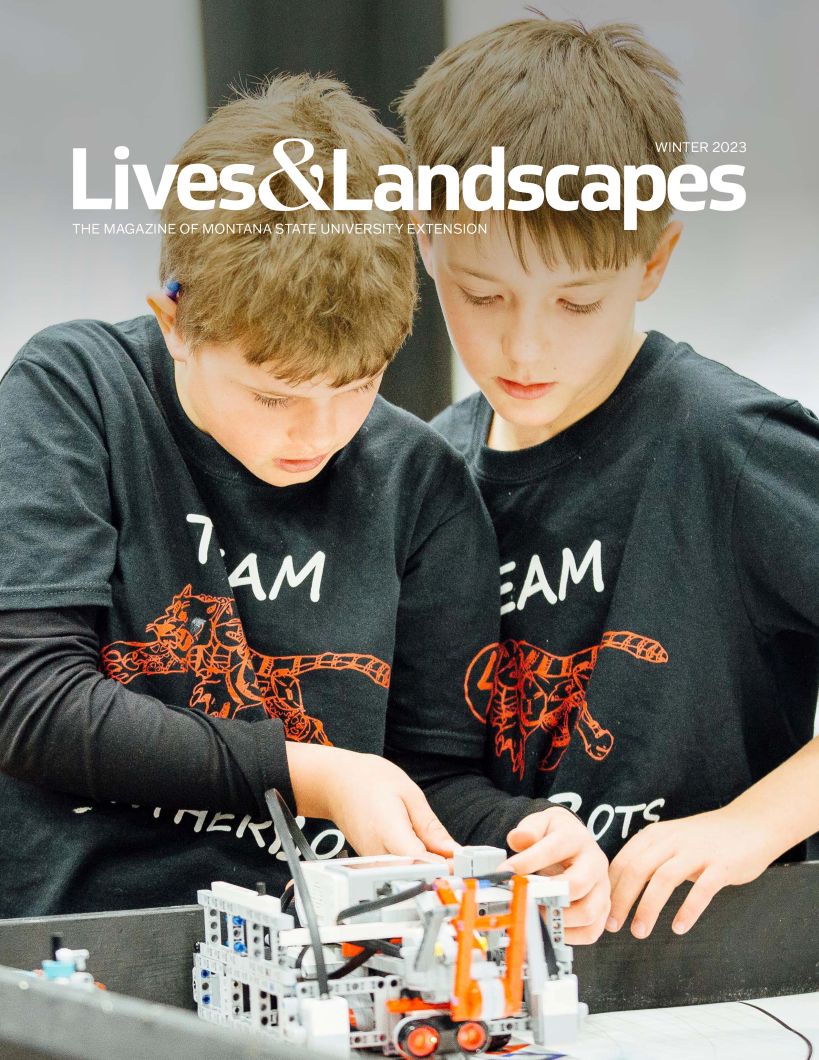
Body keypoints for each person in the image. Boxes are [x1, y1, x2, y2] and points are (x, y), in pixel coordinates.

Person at [0, 74, 607, 927]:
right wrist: (312, 773)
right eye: (273, 395)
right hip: (85, 950)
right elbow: (29, 701)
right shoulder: (78, 393)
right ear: (174, 321)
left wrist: (530, 838)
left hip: (323, 963)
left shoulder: (419, 482)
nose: (316, 434)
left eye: (356, 387)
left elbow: (425, 783)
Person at [400, 17, 819, 940]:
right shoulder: (425, 471)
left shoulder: (725, 441)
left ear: (653, 262)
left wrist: (755, 824)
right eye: (482, 293)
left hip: (722, 986)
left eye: (575, 301)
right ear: (427, 245)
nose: (523, 345)